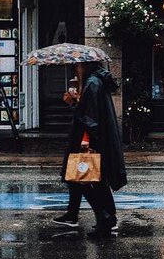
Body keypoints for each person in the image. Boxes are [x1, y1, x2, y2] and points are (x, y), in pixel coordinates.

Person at [53, 64, 126, 238]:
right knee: (93, 180)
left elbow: (89, 118)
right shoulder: (95, 82)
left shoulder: (92, 83)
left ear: (86, 66)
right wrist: (78, 100)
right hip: (93, 139)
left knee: (83, 180)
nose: (76, 69)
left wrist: (73, 104)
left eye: (78, 66)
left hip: (88, 140)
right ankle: (105, 218)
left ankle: (105, 218)